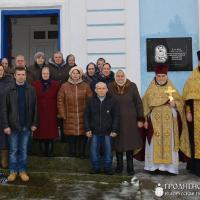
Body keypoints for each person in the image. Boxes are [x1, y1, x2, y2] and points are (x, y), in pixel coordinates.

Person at [142, 64, 190, 175]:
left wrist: (175, 104)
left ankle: (169, 168)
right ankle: (153, 167)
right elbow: (145, 105)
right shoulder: (151, 89)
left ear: (167, 76)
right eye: (159, 76)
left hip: (169, 122)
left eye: (163, 76)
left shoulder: (171, 88)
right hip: (154, 122)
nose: (161, 78)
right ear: (155, 76)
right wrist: (144, 120)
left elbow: (180, 102)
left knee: (170, 143)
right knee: (154, 143)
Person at [2, 67, 38, 182]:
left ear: (26, 76)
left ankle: (22, 171)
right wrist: (6, 125)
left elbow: (35, 108)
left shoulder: (31, 89)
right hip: (12, 127)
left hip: (26, 126)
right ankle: (13, 172)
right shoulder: (9, 89)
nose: (21, 76)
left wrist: (34, 123)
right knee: (13, 150)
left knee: (23, 150)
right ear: (14, 76)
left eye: (23, 74)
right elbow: (4, 109)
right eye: (19, 74)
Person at [108, 70, 144, 175]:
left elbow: (138, 103)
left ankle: (130, 167)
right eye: (118, 76)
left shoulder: (132, 86)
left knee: (129, 144)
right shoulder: (110, 86)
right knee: (118, 144)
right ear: (115, 77)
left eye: (121, 76)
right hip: (116, 121)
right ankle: (119, 166)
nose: (120, 78)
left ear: (125, 76)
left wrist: (140, 118)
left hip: (130, 121)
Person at [84, 82, 119, 175]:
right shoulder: (90, 100)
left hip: (108, 132)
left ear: (107, 89)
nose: (101, 90)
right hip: (94, 131)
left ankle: (108, 168)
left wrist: (114, 129)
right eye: (99, 88)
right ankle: (95, 167)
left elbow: (116, 116)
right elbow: (86, 116)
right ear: (95, 90)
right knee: (93, 151)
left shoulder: (113, 100)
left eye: (103, 88)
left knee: (108, 151)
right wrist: (87, 129)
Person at [57, 66, 92, 158]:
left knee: (82, 135)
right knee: (71, 135)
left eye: (77, 73)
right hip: (69, 115)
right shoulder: (64, 86)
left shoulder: (86, 86)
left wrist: (89, 114)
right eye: (73, 73)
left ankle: (81, 152)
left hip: (82, 115)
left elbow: (90, 100)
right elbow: (60, 101)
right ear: (70, 74)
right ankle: (72, 152)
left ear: (80, 74)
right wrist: (63, 114)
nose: (75, 75)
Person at [32, 67, 60, 156]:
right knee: (41, 131)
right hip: (40, 111)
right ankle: (42, 151)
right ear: (41, 74)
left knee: (51, 131)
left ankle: (50, 151)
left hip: (52, 111)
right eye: (44, 73)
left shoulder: (56, 84)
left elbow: (58, 98)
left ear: (49, 74)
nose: (45, 75)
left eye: (47, 73)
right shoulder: (35, 84)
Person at [182, 50, 200, 177]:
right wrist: (188, 112)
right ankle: (196, 167)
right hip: (195, 114)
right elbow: (187, 99)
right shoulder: (192, 77)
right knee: (195, 141)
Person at [0, 65, 13, 168]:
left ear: (3, 71)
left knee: (4, 137)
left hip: (5, 112)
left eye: (1, 70)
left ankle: (4, 160)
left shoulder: (9, 81)